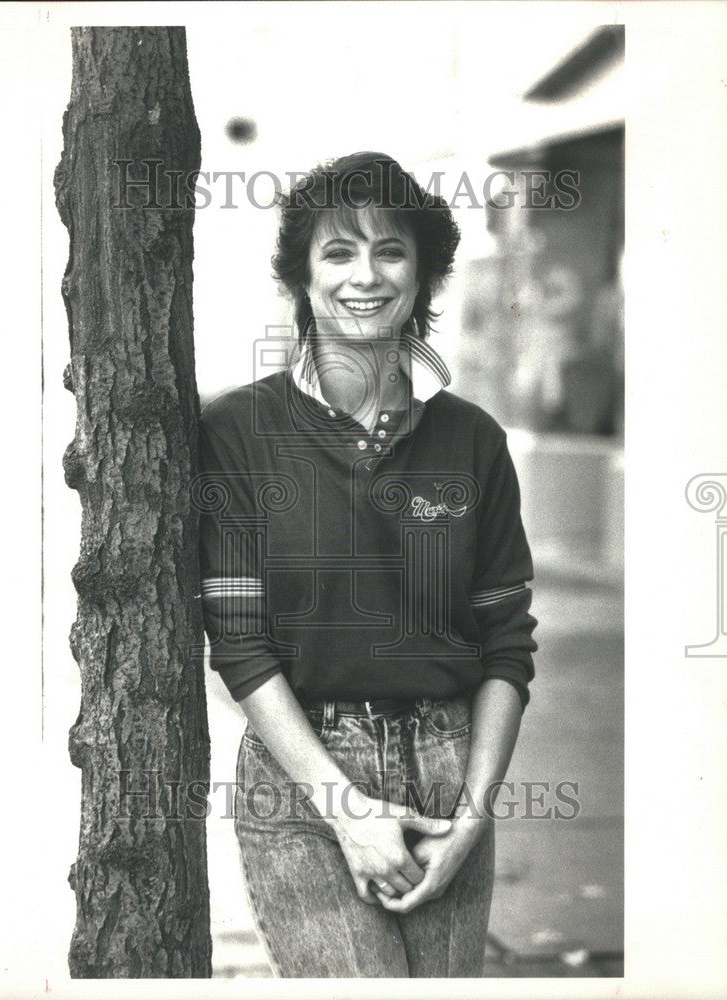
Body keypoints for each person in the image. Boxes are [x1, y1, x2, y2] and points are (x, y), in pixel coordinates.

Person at [196, 152, 538, 978]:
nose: (365, 275)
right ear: (301, 278)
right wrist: (347, 809)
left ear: (423, 277)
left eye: (390, 251)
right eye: (337, 253)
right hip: (305, 770)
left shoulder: (473, 442)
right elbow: (239, 644)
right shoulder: (239, 434)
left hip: (452, 768)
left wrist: (474, 816)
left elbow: (507, 645)